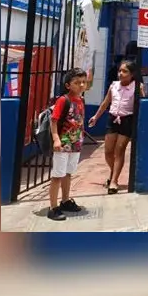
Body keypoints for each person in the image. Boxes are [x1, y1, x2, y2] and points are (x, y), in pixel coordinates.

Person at [89, 59, 144, 194]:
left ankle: (114, 181)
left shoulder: (137, 86)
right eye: (120, 70)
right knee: (108, 151)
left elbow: (142, 103)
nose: (120, 73)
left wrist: (141, 92)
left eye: (124, 71)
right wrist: (96, 117)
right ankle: (114, 172)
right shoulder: (114, 86)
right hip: (113, 119)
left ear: (132, 74)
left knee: (119, 151)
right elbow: (106, 102)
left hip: (127, 120)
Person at [47, 68, 88, 221]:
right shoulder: (63, 100)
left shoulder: (81, 100)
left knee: (68, 173)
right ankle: (53, 207)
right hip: (63, 143)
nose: (81, 85)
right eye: (77, 83)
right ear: (68, 85)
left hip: (75, 142)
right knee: (57, 175)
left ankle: (65, 200)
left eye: (84, 82)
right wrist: (56, 138)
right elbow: (54, 120)